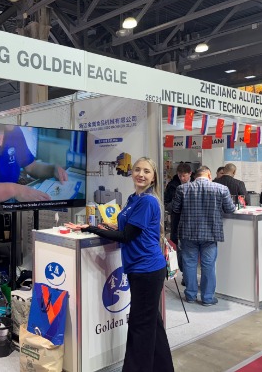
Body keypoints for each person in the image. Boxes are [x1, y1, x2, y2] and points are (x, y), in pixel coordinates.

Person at [73, 157, 174, 372]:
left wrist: (91, 229)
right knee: (151, 322)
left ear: (153, 177)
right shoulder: (133, 198)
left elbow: (127, 236)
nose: (141, 174)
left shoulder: (147, 201)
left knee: (140, 326)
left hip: (146, 269)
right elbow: (125, 226)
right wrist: (105, 226)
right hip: (141, 268)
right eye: (137, 170)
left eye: (146, 171)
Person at [172, 166, 235, 306]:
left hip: (188, 233)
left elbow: (175, 209)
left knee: (189, 264)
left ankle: (190, 295)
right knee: (208, 265)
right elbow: (230, 209)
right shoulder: (221, 189)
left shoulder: (182, 189)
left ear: (195, 176)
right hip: (210, 233)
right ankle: (207, 298)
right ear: (209, 175)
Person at [0, 123, 68, 204]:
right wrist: (15, 190)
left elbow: (31, 166)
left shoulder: (15, 131)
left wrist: (52, 169)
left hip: (12, 202)